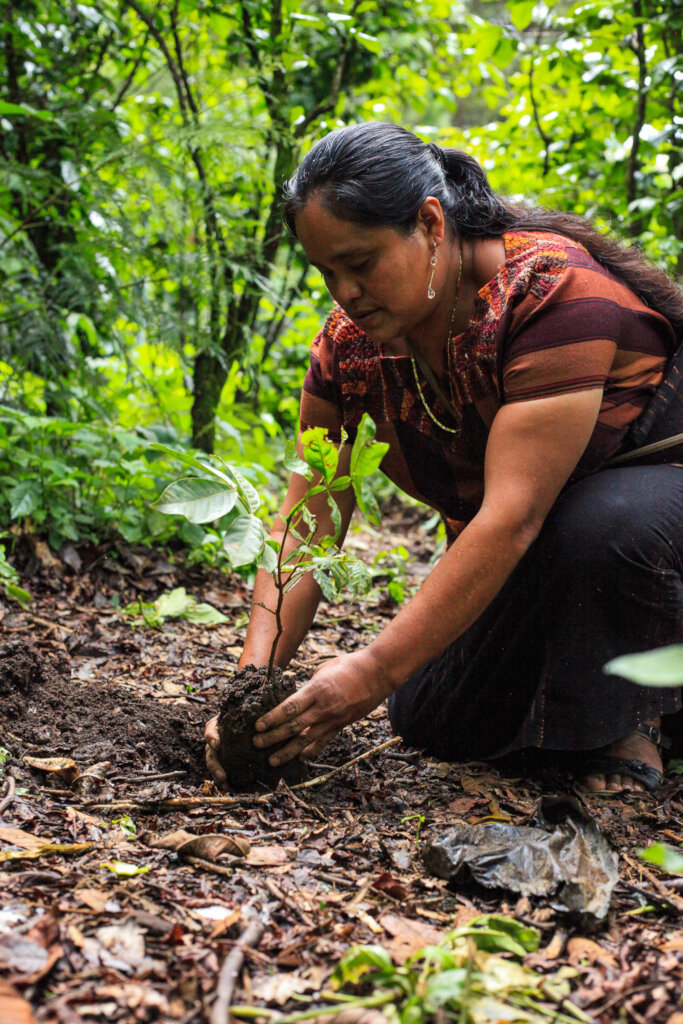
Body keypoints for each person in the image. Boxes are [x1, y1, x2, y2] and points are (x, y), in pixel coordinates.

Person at [205, 122, 683, 795]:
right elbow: (309, 516)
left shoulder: (553, 295)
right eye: (326, 272)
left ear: (430, 224)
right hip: (546, 556)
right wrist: (249, 688)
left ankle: (633, 725)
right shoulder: (350, 349)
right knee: (427, 712)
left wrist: (369, 672)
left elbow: (512, 517)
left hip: (650, 521)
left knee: (602, 526)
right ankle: (574, 713)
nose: (343, 291)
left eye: (361, 262)